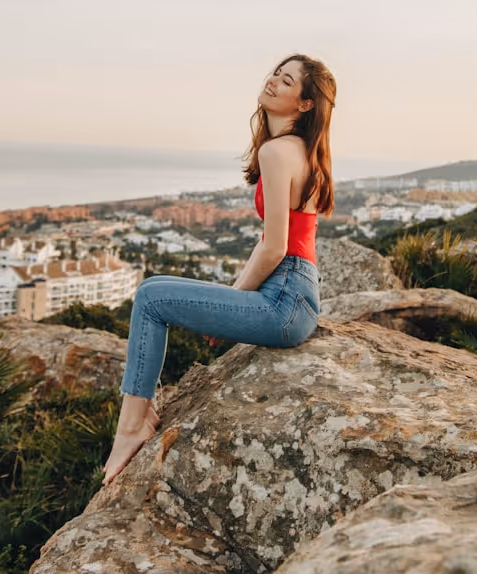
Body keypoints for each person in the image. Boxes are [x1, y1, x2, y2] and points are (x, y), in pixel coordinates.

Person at [102, 53, 336, 485]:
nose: (272, 82)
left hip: (283, 300)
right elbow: (268, 242)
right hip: (295, 295)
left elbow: (275, 248)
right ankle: (138, 414)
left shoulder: (277, 151)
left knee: (151, 299)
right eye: (275, 74)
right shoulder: (301, 150)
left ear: (305, 104)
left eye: (286, 82)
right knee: (154, 288)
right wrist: (234, 297)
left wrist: (240, 299)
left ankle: (134, 423)